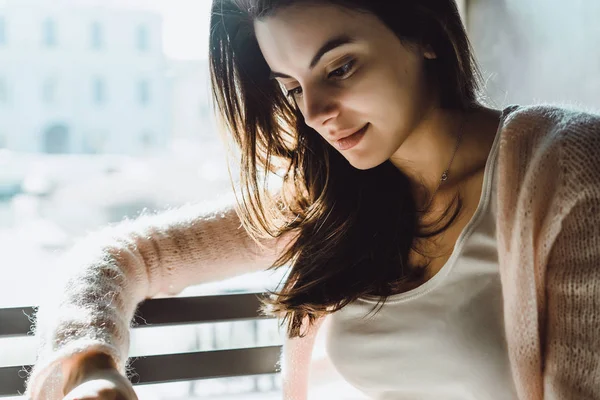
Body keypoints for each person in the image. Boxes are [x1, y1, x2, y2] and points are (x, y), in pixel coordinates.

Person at [24, 0, 600, 399]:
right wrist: (89, 365)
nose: (316, 114)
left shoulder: (567, 167)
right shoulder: (330, 198)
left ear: (423, 32)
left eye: (340, 67)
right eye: (293, 87)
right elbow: (119, 256)